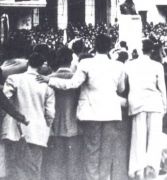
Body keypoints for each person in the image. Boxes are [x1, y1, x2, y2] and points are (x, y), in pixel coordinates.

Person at [38, 34, 126, 180]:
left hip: (91, 114)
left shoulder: (85, 64)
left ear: (94, 46)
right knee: (107, 152)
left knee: (92, 151)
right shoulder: (118, 66)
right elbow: (121, 88)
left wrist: (50, 80)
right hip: (111, 113)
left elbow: (71, 84)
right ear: (110, 47)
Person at [2, 53, 55, 180]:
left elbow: (5, 101)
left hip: (13, 129)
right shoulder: (47, 84)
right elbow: (50, 113)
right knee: (34, 168)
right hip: (36, 130)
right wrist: (47, 125)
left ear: (28, 63)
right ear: (42, 65)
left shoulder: (13, 79)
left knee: (13, 167)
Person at [125, 39, 167, 179]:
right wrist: (164, 106)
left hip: (137, 103)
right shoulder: (157, 65)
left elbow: (125, 85)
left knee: (138, 138)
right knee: (154, 139)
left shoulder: (129, 65)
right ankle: (151, 168)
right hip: (154, 103)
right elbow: (162, 88)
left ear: (139, 49)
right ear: (152, 50)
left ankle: (137, 169)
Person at [42, 47, 82, 180]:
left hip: (54, 127)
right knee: (74, 164)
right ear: (71, 61)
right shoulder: (78, 79)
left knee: (55, 163)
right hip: (74, 126)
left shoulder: (47, 79)